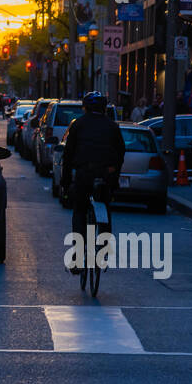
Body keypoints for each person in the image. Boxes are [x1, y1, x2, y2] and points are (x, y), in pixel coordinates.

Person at [60, 91, 126, 273]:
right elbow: (121, 151)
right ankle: (103, 250)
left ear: (85, 107)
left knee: (80, 211)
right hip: (106, 175)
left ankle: (79, 255)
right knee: (105, 207)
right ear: (104, 108)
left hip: (84, 174)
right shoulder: (112, 126)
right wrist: (115, 174)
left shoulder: (78, 125)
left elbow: (68, 155)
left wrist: (65, 183)